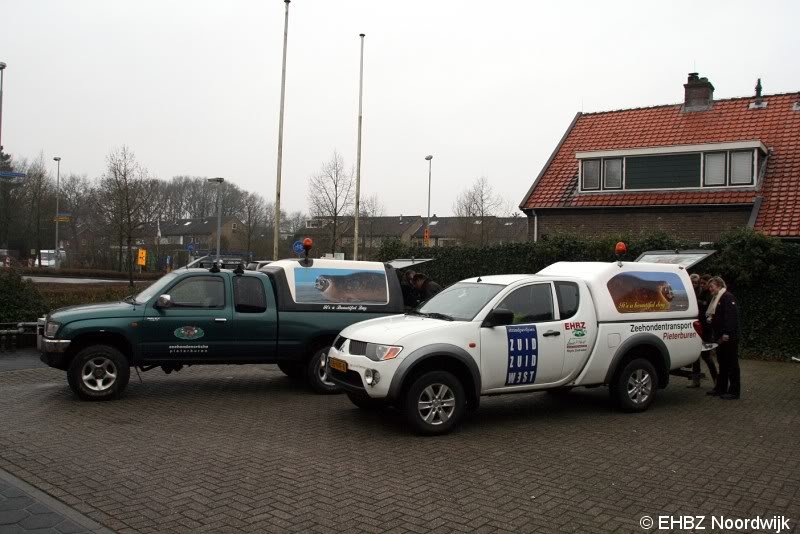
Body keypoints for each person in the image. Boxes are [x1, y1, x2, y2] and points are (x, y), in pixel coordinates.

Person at [705, 276, 741, 400]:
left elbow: (731, 317)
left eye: (712, 286)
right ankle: (721, 388)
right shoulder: (716, 298)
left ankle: (734, 391)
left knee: (732, 364)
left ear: (719, 286)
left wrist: (727, 333)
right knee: (722, 363)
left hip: (728, 337)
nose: (710, 289)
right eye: (709, 287)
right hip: (719, 336)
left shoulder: (727, 297)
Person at [688, 274, 718, 388]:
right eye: (701, 283)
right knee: (695, 355)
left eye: (704, 283)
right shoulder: (700, 293)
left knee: (706, 356)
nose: (702, 285)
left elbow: (708, 310)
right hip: (699, 328)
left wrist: (700, 303)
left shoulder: (710, 296)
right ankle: (696, 381)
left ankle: (717, 381)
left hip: (707, 330)